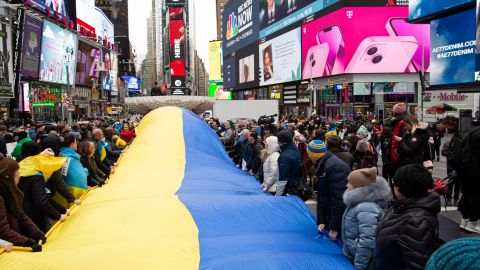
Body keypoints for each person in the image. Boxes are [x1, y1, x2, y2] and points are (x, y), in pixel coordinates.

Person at [375, 164, 440, 270]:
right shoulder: (400, 205)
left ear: (403, 188)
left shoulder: (417, 221)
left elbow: (416, 264)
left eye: (394, 184)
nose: (392, 187)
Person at [342, 168, 390, 270]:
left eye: (350, 183)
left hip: (363, 262)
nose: (346, 185)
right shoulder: (358, 202)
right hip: (355, 255)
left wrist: (359, 266)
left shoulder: (366, 207)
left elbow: (367, 241)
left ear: (359, 187)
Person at [17, 144, 69, 232]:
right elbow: (41, 201)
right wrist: (58, 216)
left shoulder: (23, 166)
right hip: (33, 217)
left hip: (20, 215)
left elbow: (43, 195)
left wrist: (63, 210)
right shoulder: (36, 176)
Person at [0, 155, 45, 251]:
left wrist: (38, 234)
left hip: (13, 242)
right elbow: (3, 230)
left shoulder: (10, 192)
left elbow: (21, 215)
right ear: (7, 177)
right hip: (6, 250)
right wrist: (27, 242)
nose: (19, 176)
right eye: (16, 174)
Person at [310, 140, 350, 241]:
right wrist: (321, 220)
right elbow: (323, 195)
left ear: (313, 155)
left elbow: (339, 199)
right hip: (330, 214)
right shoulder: (323, 163)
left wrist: (334, 228)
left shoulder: (334, 167)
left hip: (336, 217)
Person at [60, 134, 87, 204]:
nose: (77, 144)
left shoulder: (68, 156)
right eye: (76, 142)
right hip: (72, 191)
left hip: (77, 188)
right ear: (72, 144)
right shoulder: (65, 157)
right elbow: (65, 175)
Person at [385, 103, 408, 184]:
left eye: (393, 111)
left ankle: (396, 195)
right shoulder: (396, 122)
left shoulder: (401, 122)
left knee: (396, 179)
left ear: (396, 112)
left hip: (397, 156)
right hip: (395, 155)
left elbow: (404, 139)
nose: (392, 113)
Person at [276, 130, 303, 196]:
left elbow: (283, 178)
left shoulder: (285, 156)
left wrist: (278, 196)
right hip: (296, 184)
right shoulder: (294, 148)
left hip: (289, 188)